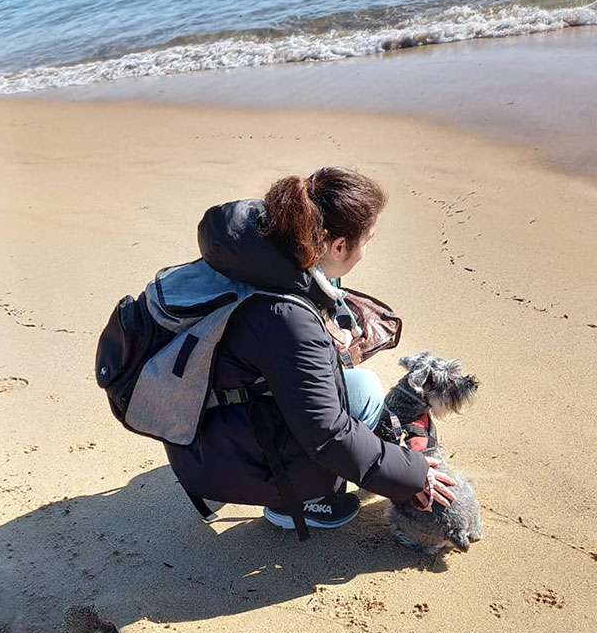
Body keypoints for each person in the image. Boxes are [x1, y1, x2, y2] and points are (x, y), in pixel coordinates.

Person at [165, 167, 456, 531]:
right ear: (337, 246)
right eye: (367, 240)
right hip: (210, 455)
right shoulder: (286, 318)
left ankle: (288, 473)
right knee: (343, 425)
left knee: (361, 388)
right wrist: (412, 474)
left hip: (199, 422)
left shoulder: (260, 254)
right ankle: (297, 504)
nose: (365, 251)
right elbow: (329, 436)